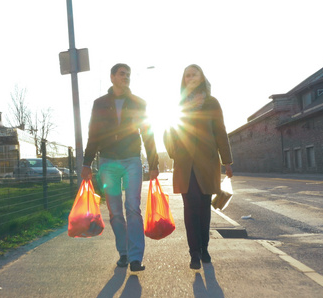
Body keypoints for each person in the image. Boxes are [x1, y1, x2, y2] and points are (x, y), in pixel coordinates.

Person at [81, 63, 159, 272]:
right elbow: (93, 135)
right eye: (122, 74)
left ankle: (135, 258)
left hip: (132, 159)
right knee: (115, 212)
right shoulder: (100, 104)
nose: (126, 77)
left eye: (128, 75)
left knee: (133, 208)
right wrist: (86, 163)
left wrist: (153, 163)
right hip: (107, 162)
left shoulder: (137, 103)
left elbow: (148, 133)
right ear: (112, 77)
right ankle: (123, 253)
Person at [164, 64, 233, 270]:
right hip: (185, 164)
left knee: (204, 206)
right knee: (190, 206)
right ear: (183, 80)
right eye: (187, 75)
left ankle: (204, 248)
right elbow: (168, 131)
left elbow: (220, 131)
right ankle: (194, 252)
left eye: (194, 74)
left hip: (207, 162)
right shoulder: (179, 104)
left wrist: (227, 161)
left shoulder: (212, 103)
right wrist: (174, 152)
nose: (191, 77)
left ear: (202, 77)